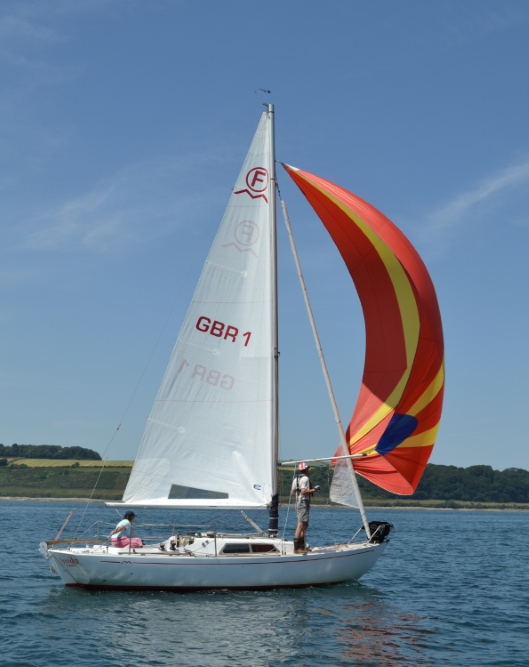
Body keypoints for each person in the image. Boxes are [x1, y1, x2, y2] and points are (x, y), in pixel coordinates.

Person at [291, 462, 320, 553]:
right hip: (303, 502)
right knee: (300, 525)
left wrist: (299, 494)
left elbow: (293, 492)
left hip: (298, 502)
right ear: (306, 469)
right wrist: (315, 489)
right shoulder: (305, 478)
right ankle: (297, 548)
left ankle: (302, 546)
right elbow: (304, 491)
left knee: (305, 524)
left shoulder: (296, 479)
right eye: (308, 468)